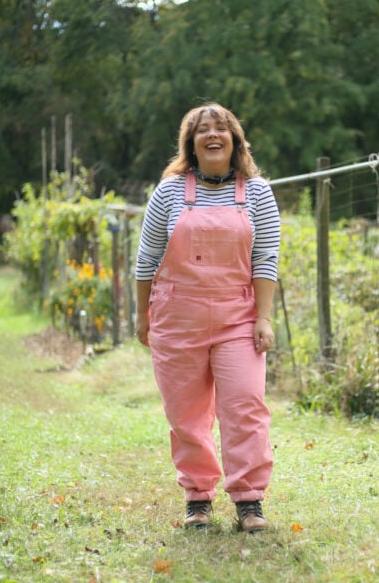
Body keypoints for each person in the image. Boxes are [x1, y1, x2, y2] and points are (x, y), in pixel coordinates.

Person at [135, 103, 281, 533]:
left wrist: (264, 318)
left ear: (235, 139)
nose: (213, 135)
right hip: (177, 316)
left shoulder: (257, 193)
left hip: (238, 317)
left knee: (245, 406)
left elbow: (265, 260)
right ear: (190, 143)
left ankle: (249, 502)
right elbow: (146, 258)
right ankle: (198, 498)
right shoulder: (168, 193)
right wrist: (142, 316)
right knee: (186, 414)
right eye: (203, 130)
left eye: (222, 128)